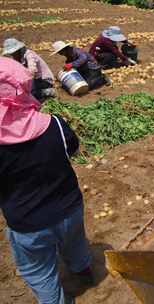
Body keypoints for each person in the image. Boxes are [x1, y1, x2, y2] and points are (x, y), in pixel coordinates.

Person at [0, 57, 93, 304]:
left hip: (29, 223)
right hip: (69, 207)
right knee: (75, 244)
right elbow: (72, 149)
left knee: (39, 272)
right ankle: (84, 271)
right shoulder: (54, 124)